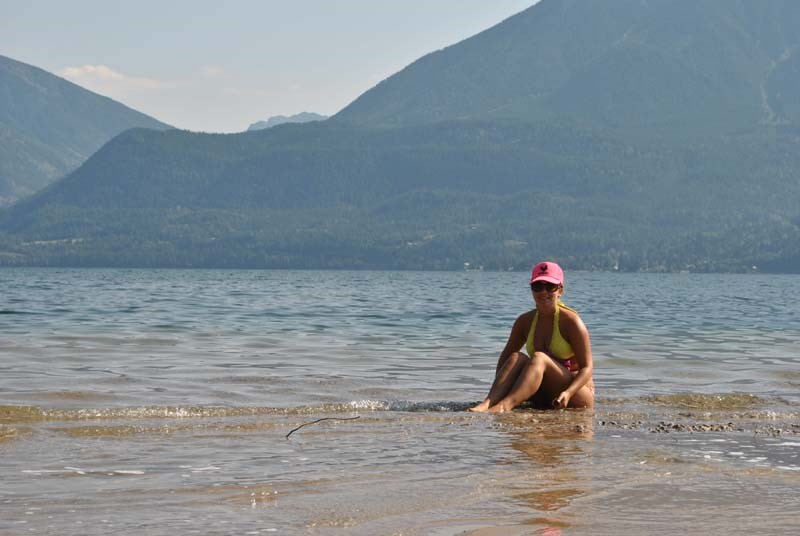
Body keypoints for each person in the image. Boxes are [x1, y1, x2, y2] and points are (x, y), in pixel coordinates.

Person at [469, 261, 594, 412]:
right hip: (543, 393)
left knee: (539, 358)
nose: (543, 292)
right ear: (531, 289)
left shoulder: (571, 322)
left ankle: (504, 406)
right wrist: (501, 390)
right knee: (516, 357)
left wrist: (568, 393)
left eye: (550, 286)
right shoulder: (525, 321)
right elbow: (506, 358)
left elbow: (587, 367)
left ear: (560, 290)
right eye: (537, 287)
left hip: (575, 394)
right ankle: (488, 403)